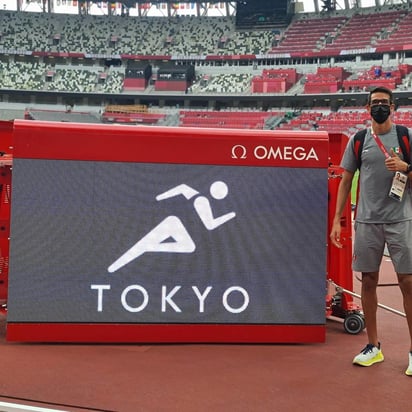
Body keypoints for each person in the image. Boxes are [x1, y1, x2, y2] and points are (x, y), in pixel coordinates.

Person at [330, 86, 412, 375]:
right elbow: (345, 180)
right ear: (367, 108)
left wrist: (406, 167)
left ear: (393, 107)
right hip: (366, 221)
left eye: (384, 103)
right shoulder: (359, 139)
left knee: (407, 282)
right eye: (374, 103)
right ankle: (373, 347)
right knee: (368, 281)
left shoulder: (406, 136)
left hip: (401, 220)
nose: (379, 107)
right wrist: (338, 219)